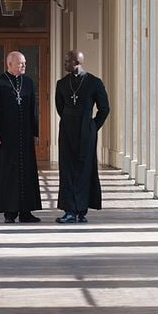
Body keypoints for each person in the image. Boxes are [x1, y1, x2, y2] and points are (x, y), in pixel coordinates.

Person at [0, 51, 43, 223]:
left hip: (25, 135)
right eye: (20, 63)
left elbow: (33, 110)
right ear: (9, 64)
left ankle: (26, 212)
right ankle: (10, 212)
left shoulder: (28, 82)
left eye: (25, 63)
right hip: (5, 137)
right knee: (9, 174)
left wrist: (35, 132)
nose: (24, 66)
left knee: (26, 172)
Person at [54, 49, 110, 224]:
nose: (64, 64)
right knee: (67, 169)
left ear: (77, 62)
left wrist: (93, 126)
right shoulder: (62, 83)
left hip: (86, 130)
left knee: (85, 169)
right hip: (67, 131)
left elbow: (104, 108)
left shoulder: (94, 82)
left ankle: (82, 209)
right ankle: (69, 210)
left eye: (67, 61)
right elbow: (60, 107)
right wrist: (70, 120)